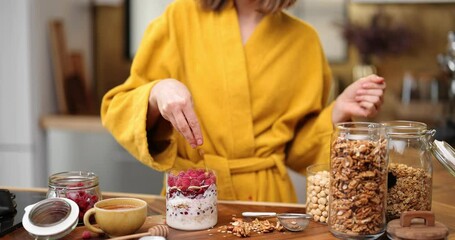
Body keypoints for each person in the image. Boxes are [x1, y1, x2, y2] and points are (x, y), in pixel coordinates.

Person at [101, 0, 385, 203]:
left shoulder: (304, 41)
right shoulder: (179, 17)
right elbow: (119, 107)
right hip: (190, 198)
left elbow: (298, 151)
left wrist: (337, 112)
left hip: (267, 205)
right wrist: (157, 92)